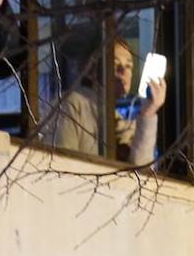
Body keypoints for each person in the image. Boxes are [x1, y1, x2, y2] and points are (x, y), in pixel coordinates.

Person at [49, 30, 167, 166]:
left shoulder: (120, 121)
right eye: (115, 64)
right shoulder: (71, 105)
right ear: (91, 69)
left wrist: (148, 113)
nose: (123, 72)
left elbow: (140, 175)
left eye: (128, 66)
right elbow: (60, 167)